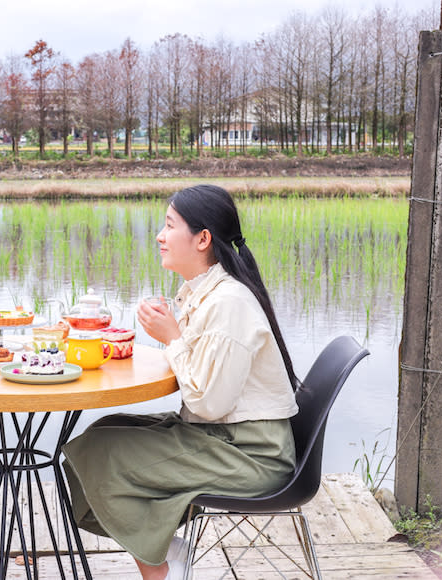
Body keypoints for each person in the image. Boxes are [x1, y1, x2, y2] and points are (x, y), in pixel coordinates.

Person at [62, 184, 299, 580]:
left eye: (170, 226)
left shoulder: (229, 303)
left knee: (103, 454)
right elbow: (205, 375)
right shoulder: (203, 293)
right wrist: (172, 329)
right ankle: (166, 548)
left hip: (251, 454)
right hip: (222, 436)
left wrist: (172, 337)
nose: (160, 235)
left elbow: (209, 403)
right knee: (99, 436)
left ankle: (162, 565)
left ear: (203, 239)